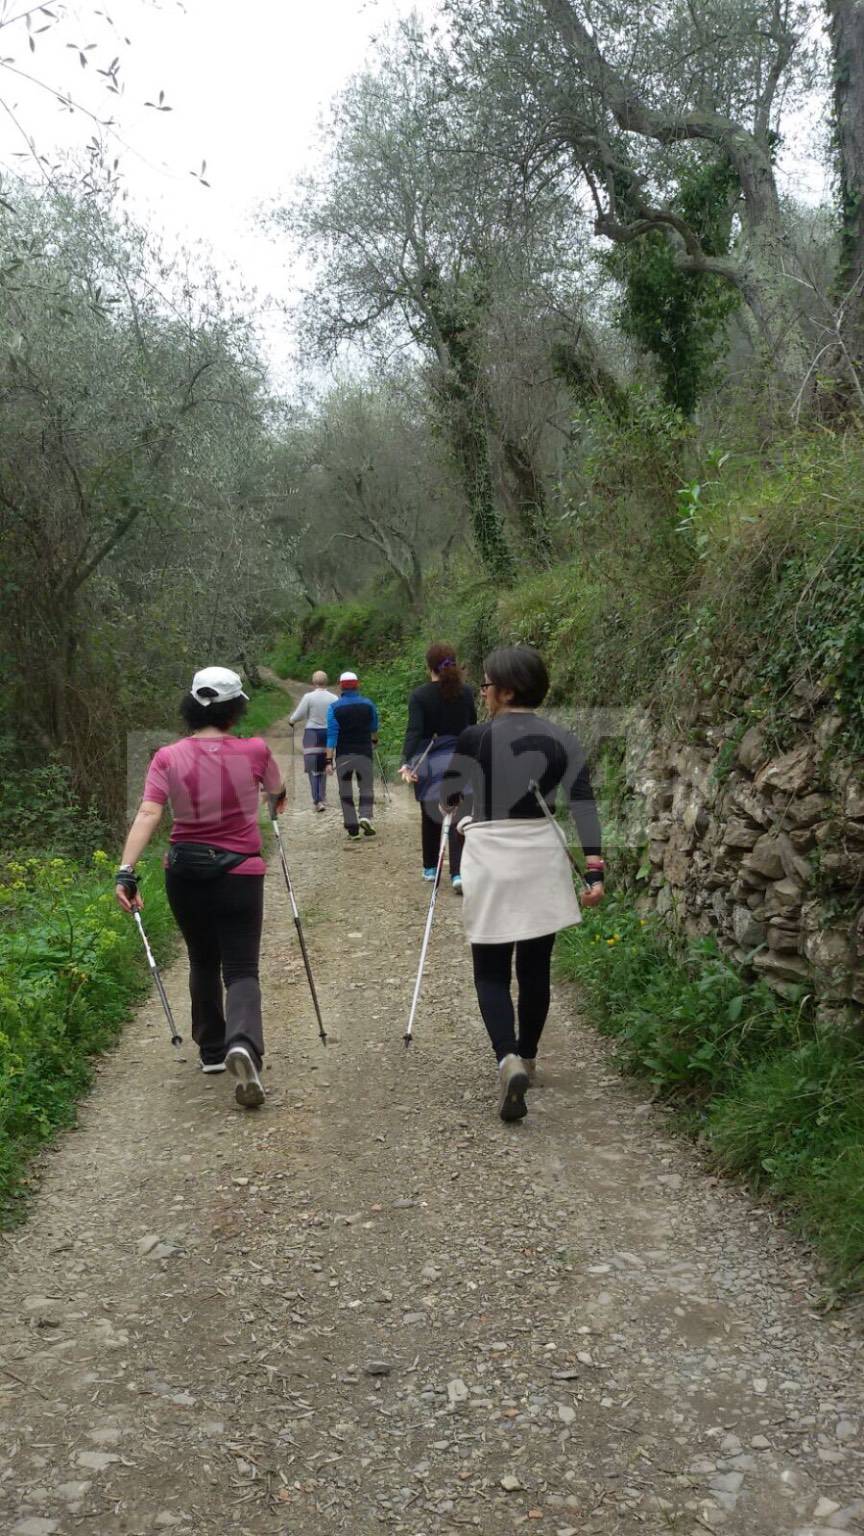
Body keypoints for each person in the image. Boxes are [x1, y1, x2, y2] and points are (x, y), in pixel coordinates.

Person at [444, 646, 604, 1124]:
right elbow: (583, 804)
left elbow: (447, 795)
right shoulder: (561, 739)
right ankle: (529, 1058)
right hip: (540, 853)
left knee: (490, 969)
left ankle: (506, 1057)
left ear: (507, 690)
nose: (484, 692)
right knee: (535, 966)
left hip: (490, 855)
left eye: (489, 685)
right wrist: (594, 869)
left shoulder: (475, 737)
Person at [114, 666, 286, 1109]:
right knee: (242, 967)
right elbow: (278, 793)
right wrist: (271, 798)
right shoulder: (255, 750)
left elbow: (149, 814)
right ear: (237, 708)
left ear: (192, 705)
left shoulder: (167, 756)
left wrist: (125, 870)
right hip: (239, 874)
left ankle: (211, 1051)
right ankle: (243, 1043)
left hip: (184, 873)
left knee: (202, 959)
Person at [398, 642, 476, 889]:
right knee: (459, 815)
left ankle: (431, 868)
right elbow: (472, 727)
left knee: (431, 814)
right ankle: (458, 873)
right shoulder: (467, 693)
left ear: (428, 667)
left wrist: (406, 763)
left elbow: (415, 732)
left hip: (429, 759)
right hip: (462, 757)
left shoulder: (420, 695)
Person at [325, 670, 380, 841]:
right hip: (364, 750)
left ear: (341, 686)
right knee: (366, 786)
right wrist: (374, 742)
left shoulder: (334, 708)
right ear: (357, 685)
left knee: (345, 790)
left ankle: (352, 829)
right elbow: (374, 727)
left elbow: (332, 736)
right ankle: (365, 816)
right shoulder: (368, 704)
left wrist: (328, 760)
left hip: (344, 754)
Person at [290, 670, 338, 812]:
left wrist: (291, 721)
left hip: (312, 734)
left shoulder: (308, 697)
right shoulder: (334, 698)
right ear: (326, 682)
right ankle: (323, 797)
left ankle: (317, 801)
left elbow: (299, 714)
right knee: (324, 765)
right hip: (328, 734)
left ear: (313, 683)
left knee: (313, 768)